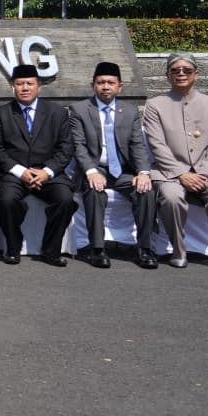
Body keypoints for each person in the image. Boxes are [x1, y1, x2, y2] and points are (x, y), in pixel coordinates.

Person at [143, 53, 208, 270]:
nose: (181, 74)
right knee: (171, 197)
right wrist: (181, 174)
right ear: (167, 75)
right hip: (170, 172)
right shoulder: (156, 105)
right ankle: (178, 250)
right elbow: (157, 145)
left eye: (186, 70)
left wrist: (205, 173)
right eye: (175, 70)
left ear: (196, 74)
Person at [69, 61, 158, 269]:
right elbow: (78, 145)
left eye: (110, 82)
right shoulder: (79, 109)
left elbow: (138, 145)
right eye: (101, 82)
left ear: (120, 86)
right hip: (94, 168)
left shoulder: (129, 111)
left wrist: (144, 172)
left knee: (145, 190)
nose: (106, 87)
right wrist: (90, 171)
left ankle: (145, 248)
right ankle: (97, 249)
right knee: (94, 189)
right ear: (93, 85)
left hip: (122, 171)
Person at [0, 64, 76, 267]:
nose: (25, 88)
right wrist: (20, 171)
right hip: (13, 173)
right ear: (13, 87)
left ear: (39, 87)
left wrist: (47, 172)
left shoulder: (57, 113)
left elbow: (66, 148)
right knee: (6, 200)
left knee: (64, 199)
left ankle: (51, 251)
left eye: (30, 83)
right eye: (20, 84)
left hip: (48, 173)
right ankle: (12, 246)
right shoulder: (1, 114)